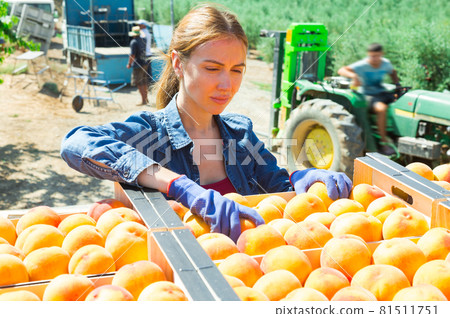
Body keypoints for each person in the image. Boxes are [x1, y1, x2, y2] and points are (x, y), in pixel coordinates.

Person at [61, 4, 351, 242]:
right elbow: (76, 142)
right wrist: (180, 186)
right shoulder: (151, 134)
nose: (227, 84)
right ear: (177, 63)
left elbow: (277, 186)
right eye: (212, 68)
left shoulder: (241, 135)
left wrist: (301, 180)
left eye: (237, 70)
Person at [338, 43, 401, 156]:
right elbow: (342, 70)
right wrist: (354, 76)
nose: (375, 59)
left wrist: (397, 84)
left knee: (401, 103)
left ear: (381, 55)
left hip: (381, 92)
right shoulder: (363, 65)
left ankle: (397, 136)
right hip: (366, 95)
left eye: (377, 56)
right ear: (368, 55)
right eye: (372, 56)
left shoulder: (385, 63)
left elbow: (393, 72)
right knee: (382, 109)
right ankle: (383, 143)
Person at [127, 25, 148, 105]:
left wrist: (129, 64)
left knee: (139, 83)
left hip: (138, 64)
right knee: (144, 82)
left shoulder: (133, 42)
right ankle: (146, 99)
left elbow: (132, 55)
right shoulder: (144, 40)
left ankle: (143, 100)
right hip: (145, 63)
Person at [137, 19, 153, 85]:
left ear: (143, 25)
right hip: (148, 54)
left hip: (144, 54)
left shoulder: (142, 33)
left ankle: (146, 85)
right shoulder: (148, 33)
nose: (138, 26)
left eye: (139, 25)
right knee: (148, 71)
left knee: (143, 72)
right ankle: (149, 84)